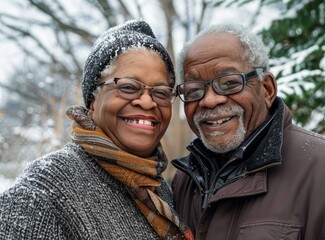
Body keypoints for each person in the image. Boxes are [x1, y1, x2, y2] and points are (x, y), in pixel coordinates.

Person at [0, 20, 193, 240]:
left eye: (160, 92)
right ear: (92, 101)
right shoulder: (44, 191)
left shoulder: (160, 191)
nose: (148, 102)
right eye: (128, 87)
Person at [171, 23, 325, 240]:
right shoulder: (185, 182)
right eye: (194, 90)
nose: (210, 100)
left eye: (229, 83)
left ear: (267, 89)